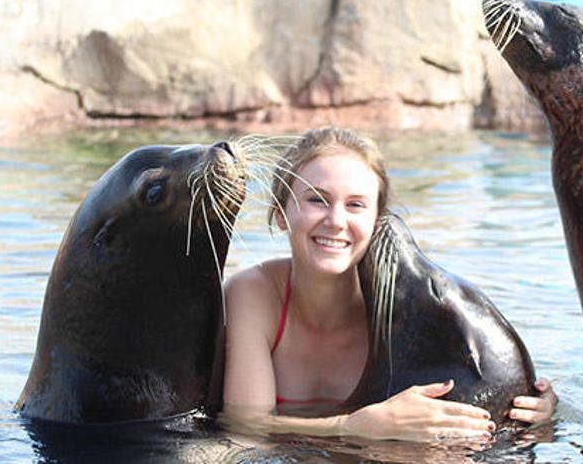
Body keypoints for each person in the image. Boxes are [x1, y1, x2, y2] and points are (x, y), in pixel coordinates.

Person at [221, 127, 556, 442]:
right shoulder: (253, 293)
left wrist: (529, 406)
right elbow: (243, 425)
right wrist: (353, 426)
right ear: (280, 212)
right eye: (316, 200)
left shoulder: (404, 310)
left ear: (376, 220)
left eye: (355, 205)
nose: (336, 220)